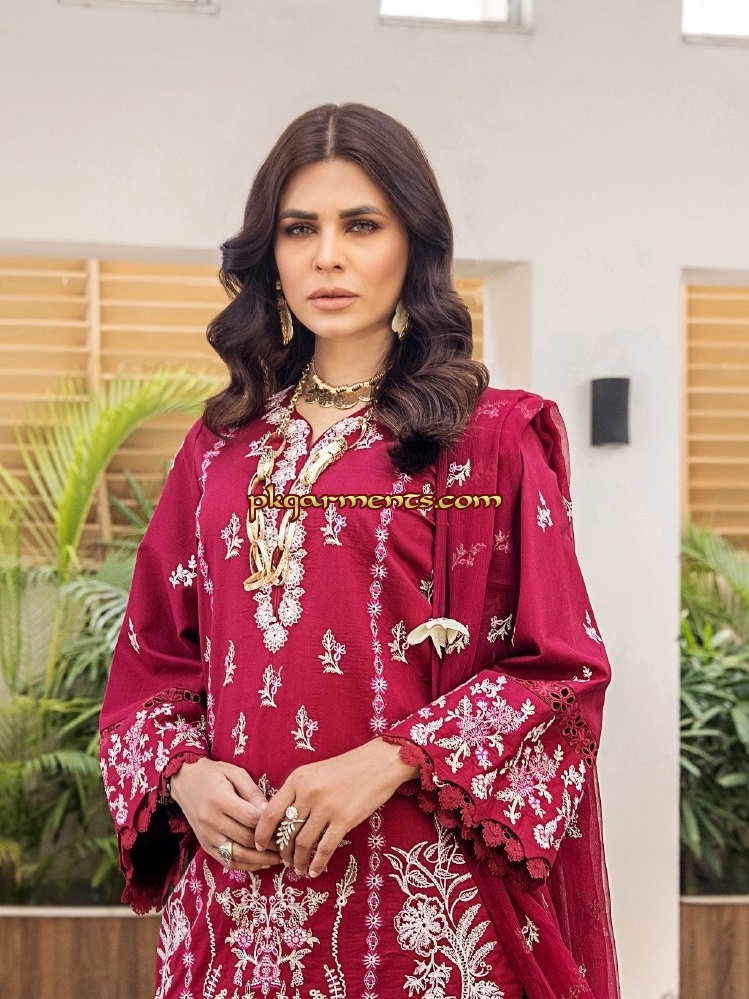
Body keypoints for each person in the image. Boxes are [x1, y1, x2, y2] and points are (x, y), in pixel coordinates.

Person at [99, 103, 620, 999]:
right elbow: (152, 662)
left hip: (421, 916)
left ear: (414, 245)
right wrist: (184, 777)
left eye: (362, 226)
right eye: (300, 228)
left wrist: (388, 759)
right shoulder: (217, 450)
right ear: (269, 253)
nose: (327, 256)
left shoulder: (491, 439)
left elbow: (560, 674)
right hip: (237, 914)